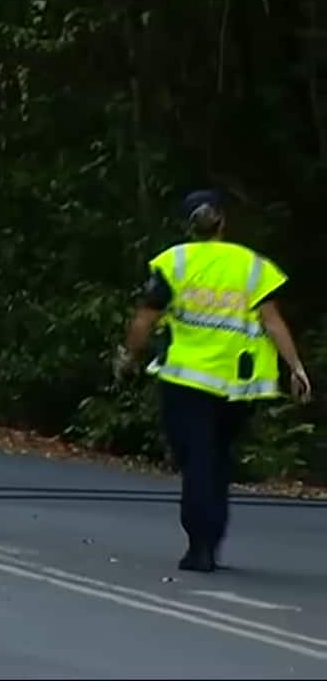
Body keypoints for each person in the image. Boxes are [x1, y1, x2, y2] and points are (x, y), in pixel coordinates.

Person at [115, 189, 312, 573]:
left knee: (197, 461)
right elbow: (272, 321)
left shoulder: (177, 262)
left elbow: (145, 318)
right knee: (217, 460)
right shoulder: (250, 265)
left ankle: (200, 544)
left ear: (189, 225)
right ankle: (212, 537)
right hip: (237, 387)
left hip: (185, 381)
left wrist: (127, 357)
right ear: (222, 220)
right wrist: (297, 368)